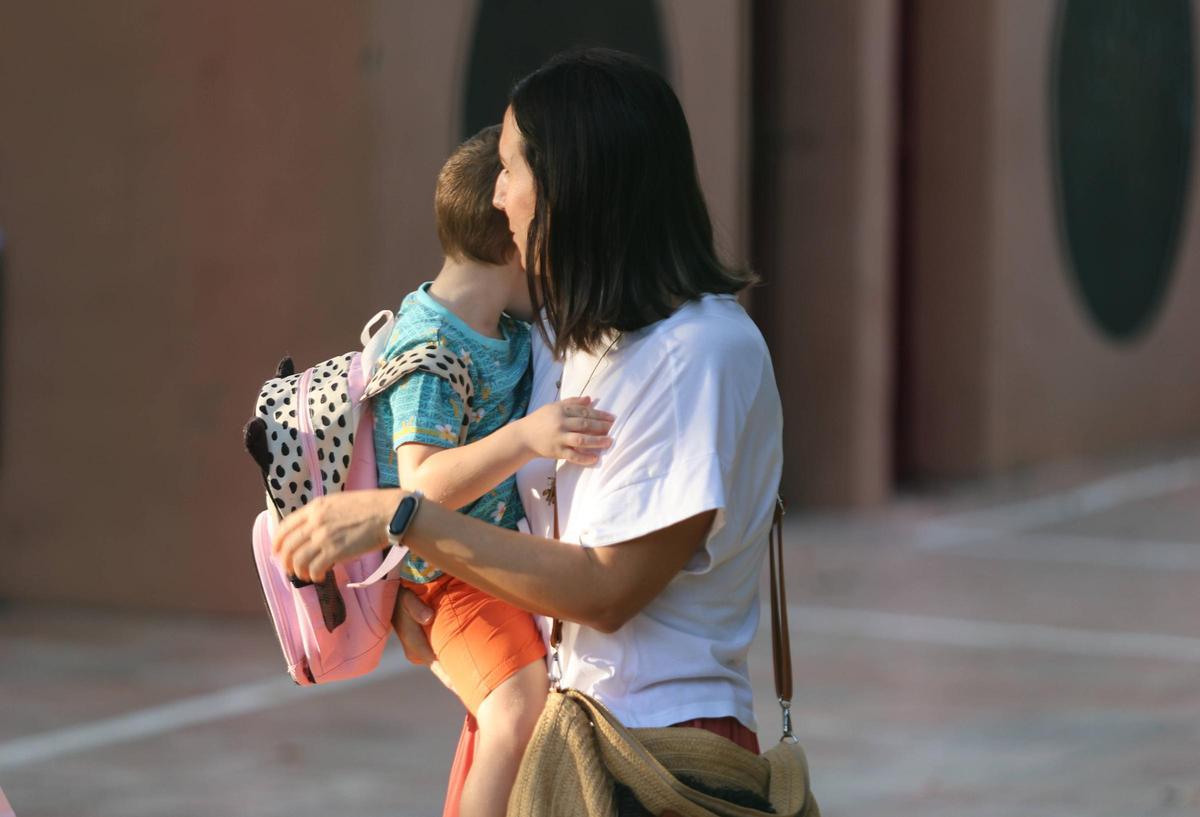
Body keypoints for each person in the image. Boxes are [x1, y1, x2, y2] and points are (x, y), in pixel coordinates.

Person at [274, 49, 782, 816]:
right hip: (553, 731)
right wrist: (426, 601)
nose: (500, 198)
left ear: (572, 186)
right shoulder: (559, 338)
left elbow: (609, 589)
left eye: (512, 169)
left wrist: (404, 519)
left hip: (654, 754)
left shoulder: (700, 352)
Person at [367, 124, 615, 817]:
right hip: (450, 580)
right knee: (515, 707)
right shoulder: (430, 348)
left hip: (486, 569)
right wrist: (525, 435)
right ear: (512, 238)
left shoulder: (505, 330)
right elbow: (421, 487)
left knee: (502, 723)